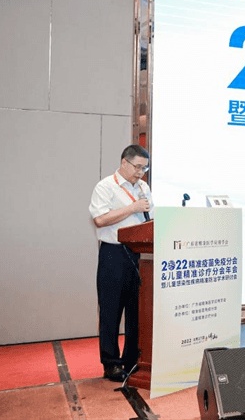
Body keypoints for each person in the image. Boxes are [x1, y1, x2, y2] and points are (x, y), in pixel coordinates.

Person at [88, 144, 153, 382]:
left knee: (137, 311)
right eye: (137, 167)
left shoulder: (144, 187)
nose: (140, 173)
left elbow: (149, 219)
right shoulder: (106, 186)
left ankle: (131, 360)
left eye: (144, 169)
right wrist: (132, 208)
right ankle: (111, 364)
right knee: (111, 311)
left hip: (140, 254)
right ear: (124, 162)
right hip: (113, 254)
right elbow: (100, 219)